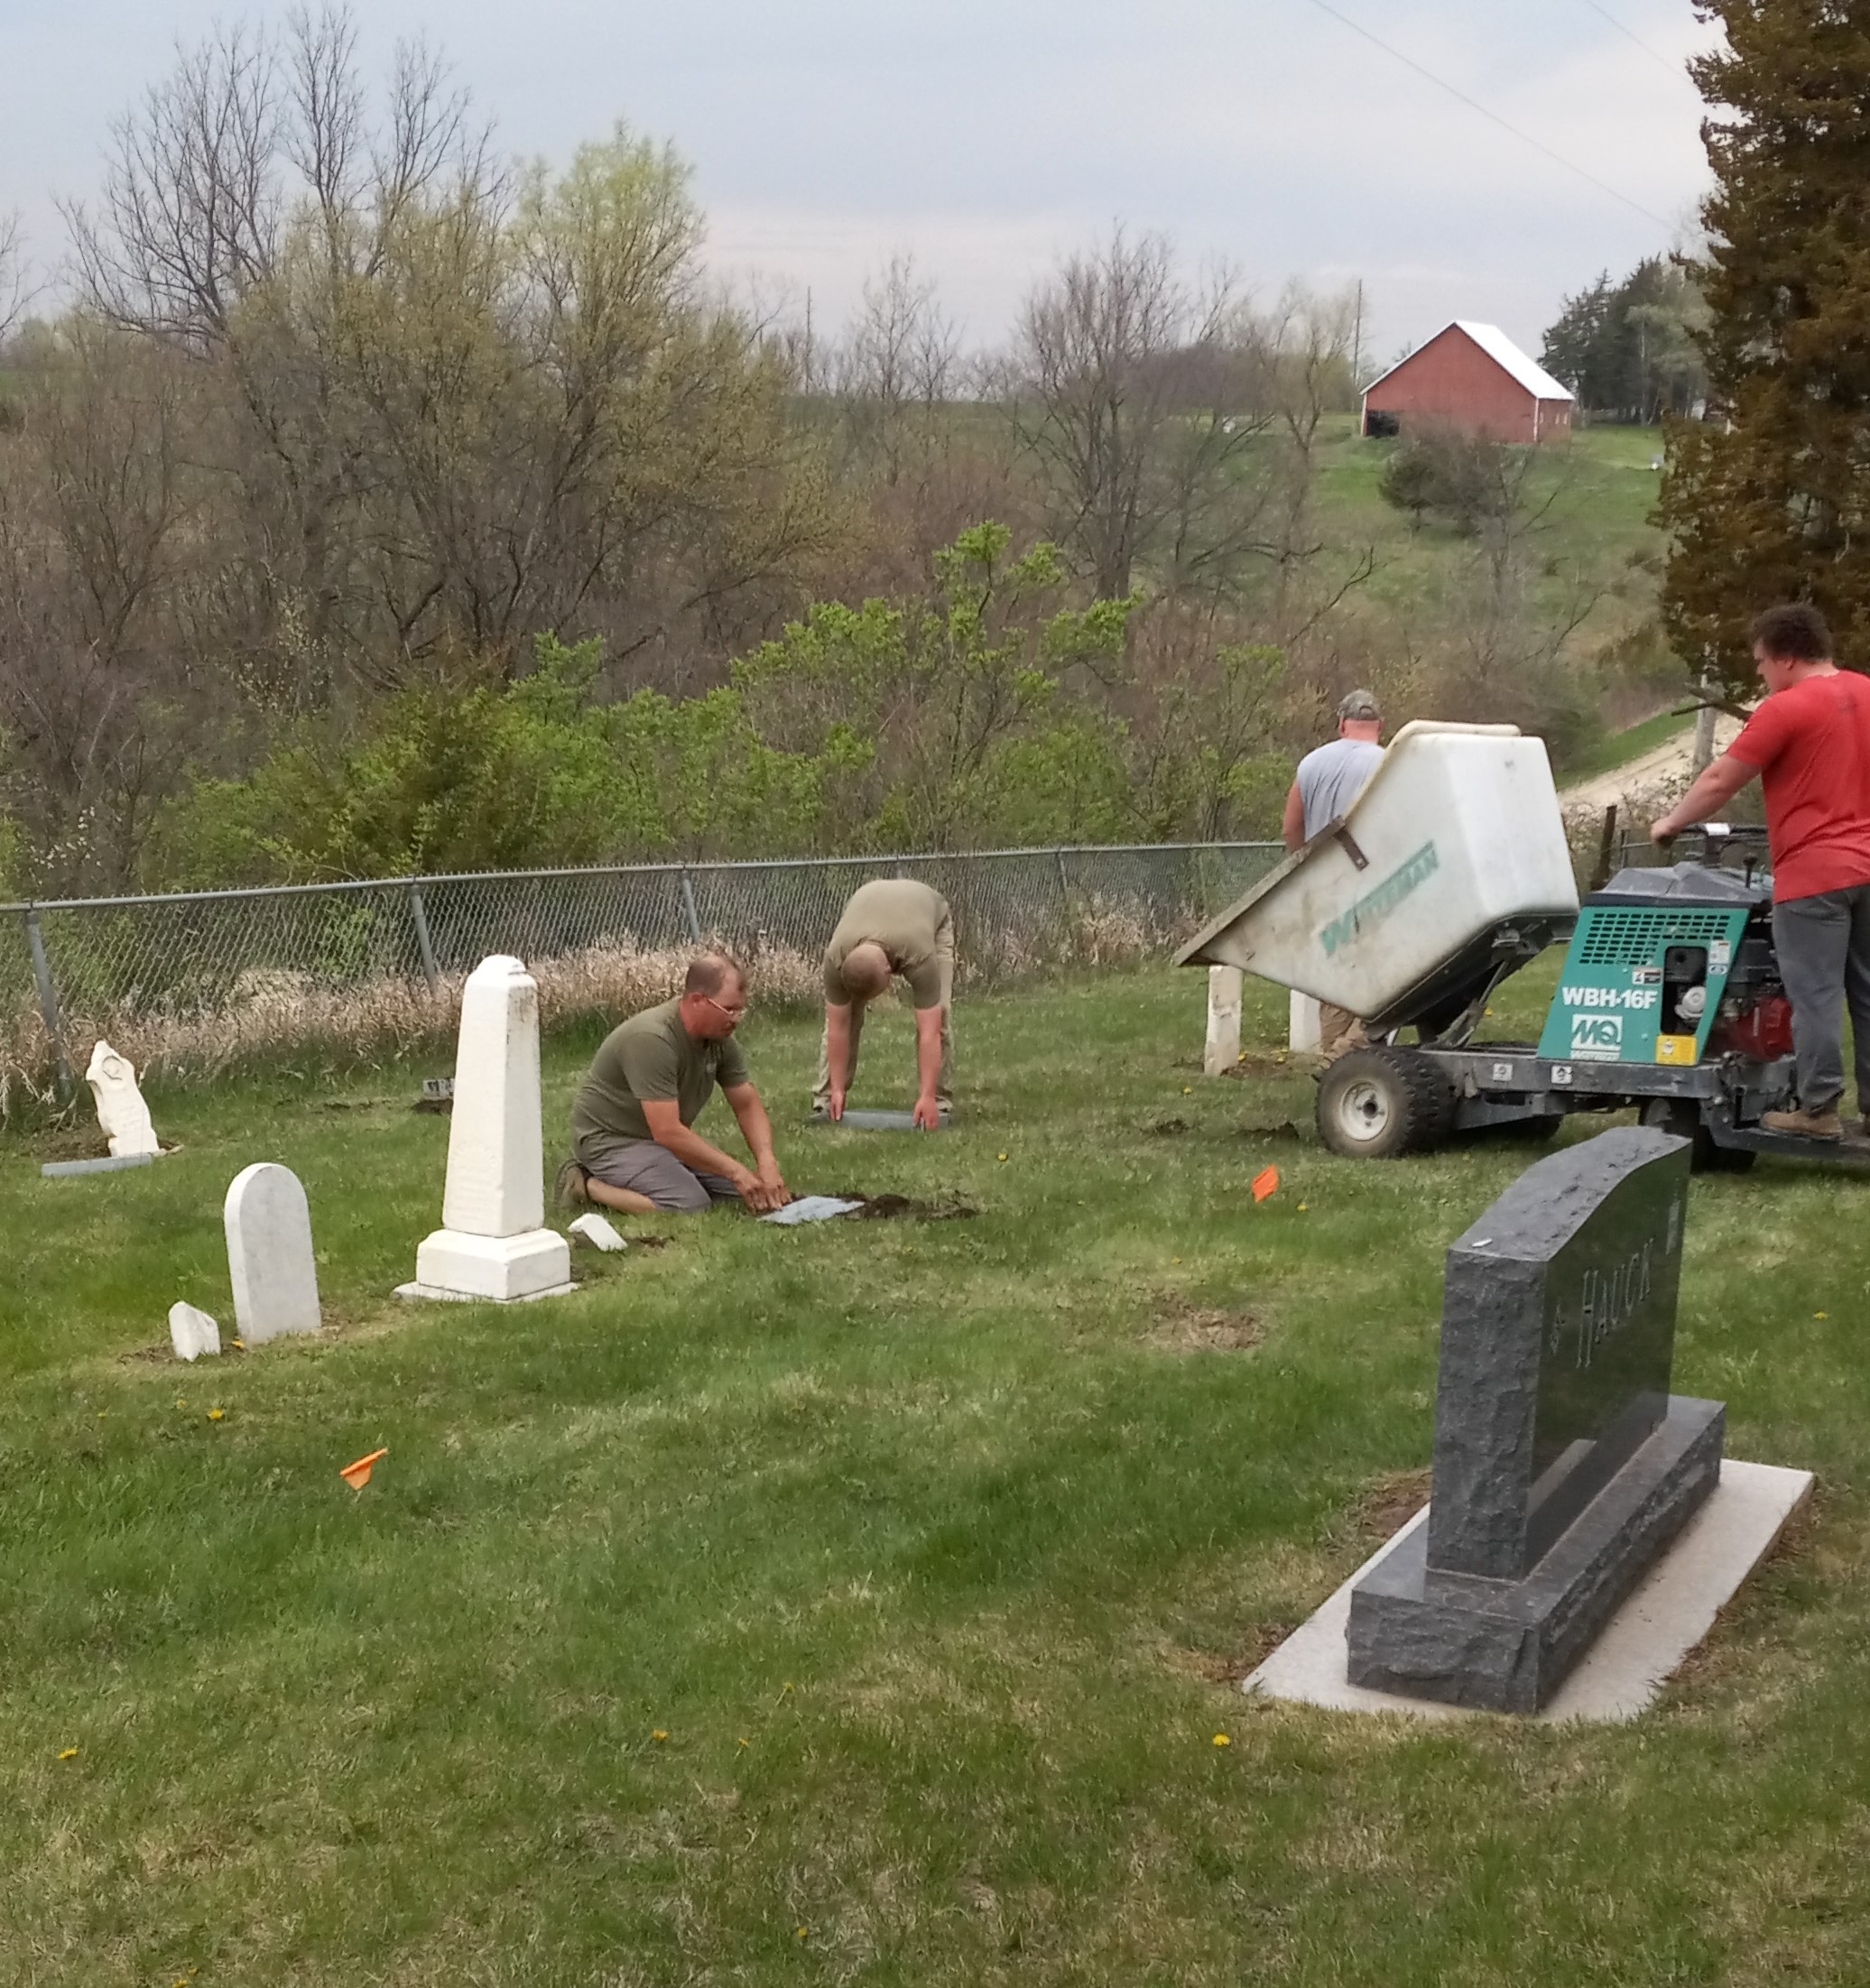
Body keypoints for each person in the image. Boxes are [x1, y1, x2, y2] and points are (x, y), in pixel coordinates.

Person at [1651, 602, 1870, 1141]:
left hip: (1816, 876)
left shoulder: (1786, 708)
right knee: (1867, 993)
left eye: (1761, 662)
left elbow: (1720, 780)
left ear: (1785, 657)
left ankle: (1818, 1110)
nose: (1760, 673)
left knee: (1815, 995)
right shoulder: (1866, 692)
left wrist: (1671, 822)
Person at [557, 953, 792, 1213]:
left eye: (740, 1010)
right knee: (688, 1203)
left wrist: (766, 1162)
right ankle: (586, 1184)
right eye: (729, 1009)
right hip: (611, 1141)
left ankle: (659, 1173)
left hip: (658, 1142)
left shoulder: (720, 1040)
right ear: (697, 1000)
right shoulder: (652, 1038)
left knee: (745, 1192)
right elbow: (666, 1130)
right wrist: (736, 1171)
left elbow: (745, 1103)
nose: (736, 1019)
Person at [1283, 689, 1387, 1061]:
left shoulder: (1311, 764)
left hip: (1325, 888)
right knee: (1382, 978)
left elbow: (1291, 827)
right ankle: (1348, 1056)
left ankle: (1336, 1066)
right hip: (1375, 885)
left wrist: (1305, 870)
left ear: (1342, 724)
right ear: (1379, 725)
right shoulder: (1388, 764)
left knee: (1335, 982)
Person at [815, 878, 954, 1129]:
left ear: (891, 972)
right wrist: (837, 1088)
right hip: (869, 900)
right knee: (843, 1017)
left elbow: (929, 1032)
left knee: (939, 1014)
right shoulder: (835, 958)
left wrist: (926, 1095)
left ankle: (937, 1100)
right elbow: (838, 1027)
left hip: (929, 914)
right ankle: (828, 1099)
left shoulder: (919, 955)